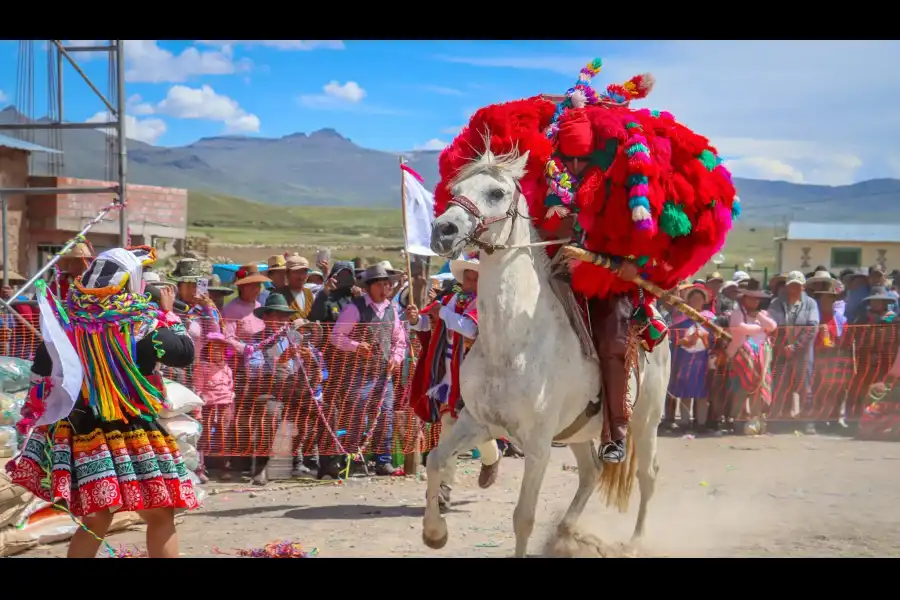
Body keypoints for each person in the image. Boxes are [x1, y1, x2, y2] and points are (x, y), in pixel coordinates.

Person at [5, 246, 198, 558]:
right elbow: (185, 352)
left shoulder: (65, 329)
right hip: (134, 434)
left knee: (95, 519)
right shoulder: (143, 328)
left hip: (83, 436)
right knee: (161, 514)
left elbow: (41, 372)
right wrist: (168, 312)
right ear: (132, 283)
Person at [407, 252, 502, 506]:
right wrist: (417, 320)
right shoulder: (450, 300)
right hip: (449, 376)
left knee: (470, 429)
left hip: (475, 378)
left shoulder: (486, 304)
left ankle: (487, 460)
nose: (471, 281)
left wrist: (444, 315)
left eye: (476, 277)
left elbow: (471, 329)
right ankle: (442, 489)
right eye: (468, 276)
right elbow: (428, 323)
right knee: (451, 427)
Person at [330, 264, 408, 476]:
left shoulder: (392, 310)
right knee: (357, 415)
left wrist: (396, 358)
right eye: (381, 284)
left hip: (384, 373)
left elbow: (399, 341)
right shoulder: (354, 309)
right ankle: (352, 460)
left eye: (388, 284)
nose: (386, 288)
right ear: (369, 287)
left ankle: (384, 460)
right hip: (359, 374)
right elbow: (336, 337)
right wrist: (356, 346)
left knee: (386, 416)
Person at [768, 271, 820, 434]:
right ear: (787, 286)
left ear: (803, 287)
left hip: (803, 353)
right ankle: (779, 421)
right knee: (780, 386)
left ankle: (807, 422)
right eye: (792, 285)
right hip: (781, 352)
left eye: (798, 286)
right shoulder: (776, 303)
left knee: (805, 387)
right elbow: (772, 326)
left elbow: (812, 327)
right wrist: (783, 346)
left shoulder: (811, 303)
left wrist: (796, 347)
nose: (795, 289)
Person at [725, 279, 777, 434]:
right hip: (742, 355)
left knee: (760, 388)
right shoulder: (736, 313)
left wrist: (759, 318)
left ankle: (755, 418)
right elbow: (741, 328)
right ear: (744, 298)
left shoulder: (762, 314)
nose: (754, 301)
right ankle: (738, 419)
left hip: (762, 356)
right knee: (741, 389)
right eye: (751, 298)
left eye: (757, 298)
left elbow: (772, 327)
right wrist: (761, 329)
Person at [668, 285, 717, 433]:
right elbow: (675, 337)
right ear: (688, 301)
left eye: (699, 299)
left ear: (703, 301)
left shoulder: (709, 319)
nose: (696, 301)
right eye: (694, 299)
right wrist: (685, 341)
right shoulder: (681, 319)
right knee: (685, 391)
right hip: (685, 359)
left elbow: (715, 337)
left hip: (702, 360)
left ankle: (701, 423)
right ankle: (684, 422)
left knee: (702, 393)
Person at [195, 333, 236, 482]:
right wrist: (199, 408)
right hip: (208, 406)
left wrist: (232, 398)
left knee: (224, 436)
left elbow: (230, 388)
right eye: (214, 348)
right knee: (204, 435)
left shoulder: (227, 368)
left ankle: (224, 468)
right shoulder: (202, 367)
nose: (217, 351)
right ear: (208, 349)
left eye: (220, 348)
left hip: (225, 406)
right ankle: (200, 468)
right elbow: (198, 389)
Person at [274, 256, 315, 320]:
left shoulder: (309, 294)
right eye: (297, 272)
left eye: (304, 272)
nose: (301, 277)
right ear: (287, 274)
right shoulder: (278, 295)